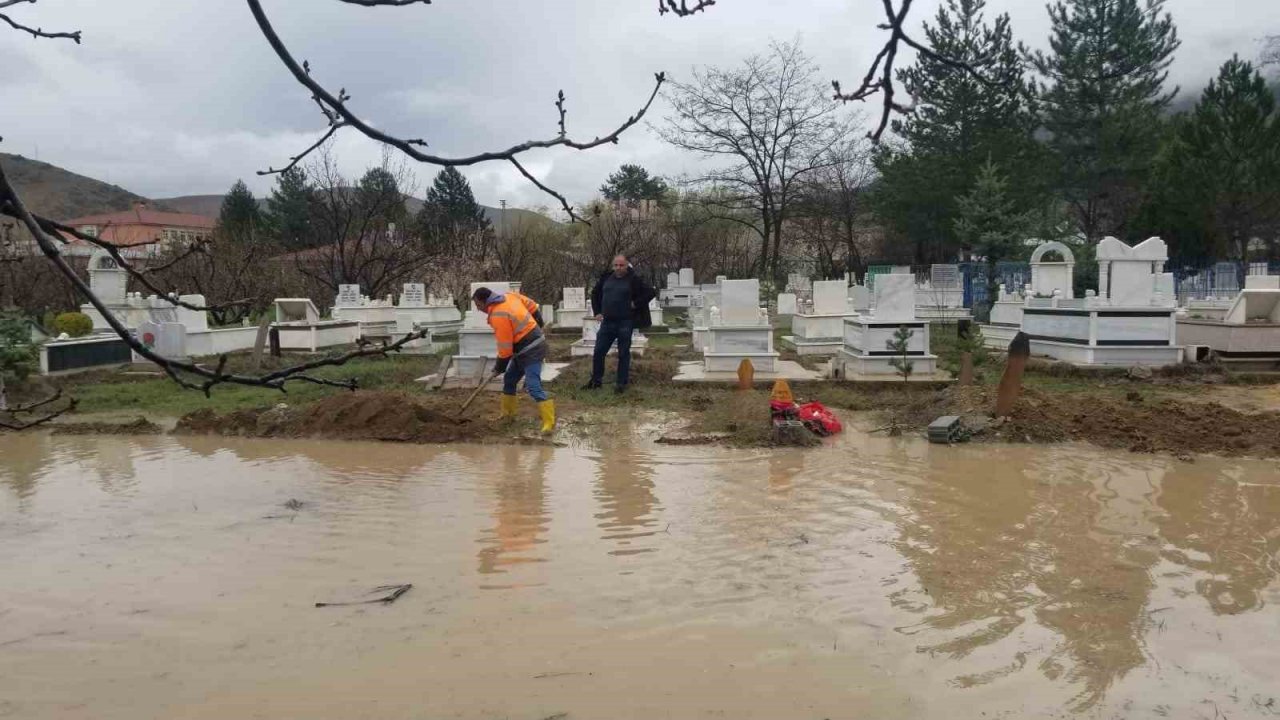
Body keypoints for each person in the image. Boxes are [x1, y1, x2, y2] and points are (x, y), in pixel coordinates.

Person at [472, 286, 554, 433]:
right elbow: (532, 306)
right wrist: (538, 324)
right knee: (509, 380)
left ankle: (549, 423)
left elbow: (505, 349)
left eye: (478, 305)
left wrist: (499, 367)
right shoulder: (510, 295)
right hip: (521, 350)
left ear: (485, 302)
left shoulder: (498, 315)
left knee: (533, 386)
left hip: (533, 350)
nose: (478, 309)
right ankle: (508, 416)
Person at [584, 255, 656, 393]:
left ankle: (621, 384)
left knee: (623, 353)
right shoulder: (607, 277)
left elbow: (650, 292)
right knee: (599, 351)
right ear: (613, 266)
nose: (618, 268)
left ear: (627, 265)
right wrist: (597, 312)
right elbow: (595, 293)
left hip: (625, 321)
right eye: (616, 265)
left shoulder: (633, 279)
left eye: (621, 265)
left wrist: (635, 303)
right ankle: (596, 381)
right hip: (607, 322)